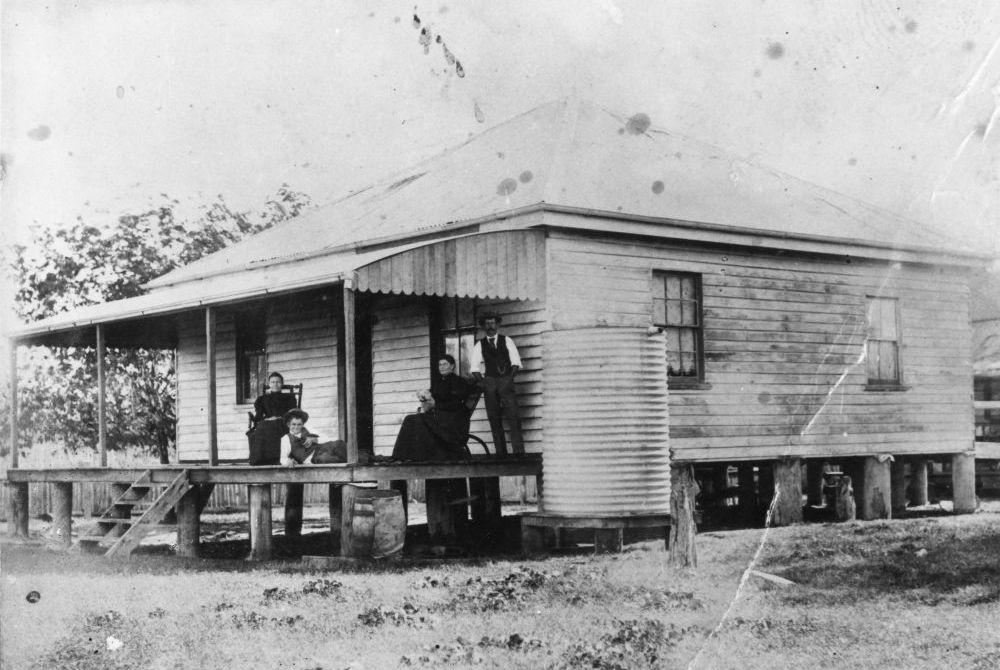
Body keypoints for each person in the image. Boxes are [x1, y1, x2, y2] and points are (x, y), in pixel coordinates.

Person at [470, 312, 524, 455]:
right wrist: (484, 383)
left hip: (505, 381)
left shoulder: (506, 340)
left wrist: (508, 379)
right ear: (483, 327)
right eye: (487, 324)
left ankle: (519, 453)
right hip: (490, 383)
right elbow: (474, 368)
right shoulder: (479, 345)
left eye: (493, 323)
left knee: (513, 416)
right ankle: (501, 453)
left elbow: (516, 363)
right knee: (494, 417)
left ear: (498, 324)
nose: (490, 326)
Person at [248, 371, 299, 465]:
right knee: (262, 426)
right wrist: (260, 419)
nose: (275, 384)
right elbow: (258, 416)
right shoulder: (262, 399)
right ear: (269, 384)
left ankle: (276, 459)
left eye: (278, 382)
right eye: (272, 382)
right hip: (266, 423)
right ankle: (260, 460)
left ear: (282, 384)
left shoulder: (289, 397)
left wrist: (279, 418)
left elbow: (293, 413)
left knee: (273, 426)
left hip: (283, 422)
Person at [430, 354, 480, 437]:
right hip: (440, 417)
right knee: (413, 420)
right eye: (440, 365)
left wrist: (434, 405)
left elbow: (455, 404)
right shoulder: (439, 382)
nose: (441, 367)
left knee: (413, 420)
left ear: (452, 366)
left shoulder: (458, 381)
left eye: (445, 364)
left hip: (452, 421)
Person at [279, 408, 349, 466]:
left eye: (299, 424)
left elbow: (324, 438)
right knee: (326, 459)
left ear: (303, 424)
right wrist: (288, 462)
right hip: (313, 458)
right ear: (288, 424)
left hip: (321, 448)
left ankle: (353, 461)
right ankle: (348, 465)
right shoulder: (286, 438)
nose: (296, 427)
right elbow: (283, 458)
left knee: (338, 443)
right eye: (293, 424)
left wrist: (314, 439)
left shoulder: (307, 429)